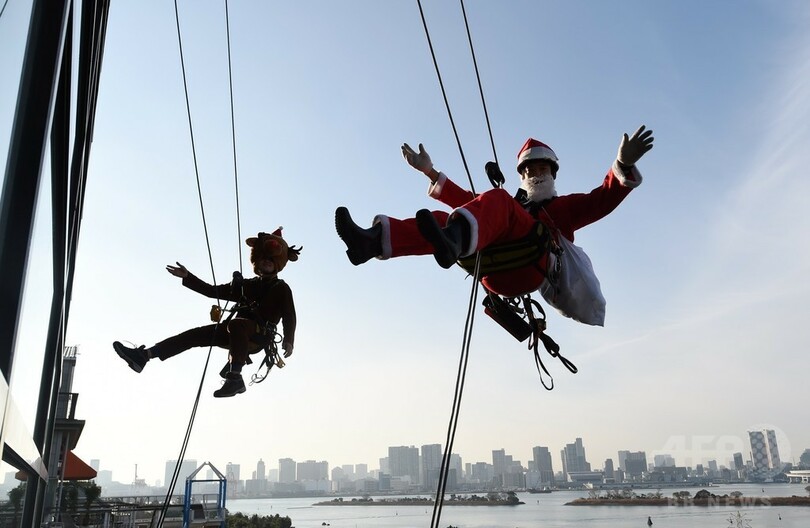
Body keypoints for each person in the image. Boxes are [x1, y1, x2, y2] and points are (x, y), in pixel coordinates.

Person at [335, 126, 653, 326]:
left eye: (542, 168)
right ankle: (373, 241)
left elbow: (601, 200)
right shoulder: (508, 208)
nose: (536, 174)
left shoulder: (561, 209)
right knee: (447, 219)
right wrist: (431, 173)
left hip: (532, 266)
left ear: (553, 173)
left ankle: (453, 243)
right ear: (523, 175)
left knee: (494, 203)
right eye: (530, 169)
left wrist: (622, 167)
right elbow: (467, 201)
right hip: (493, 271)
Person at [113, 228, 299, 398]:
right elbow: (212, 291)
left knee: (236, 324)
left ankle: (235, 377)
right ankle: (145, 356)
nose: (267, 262)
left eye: (271, 260)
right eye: (264, 259)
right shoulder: (246, 286)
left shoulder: (281, 288)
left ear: (278, 265)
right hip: (237, 332)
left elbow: (289, 315)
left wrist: (288, 340)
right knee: (195, 334)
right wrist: (188, 277)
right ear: (257, 261)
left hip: (260, 334)